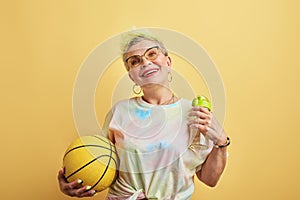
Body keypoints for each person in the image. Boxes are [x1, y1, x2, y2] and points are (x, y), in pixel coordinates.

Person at [58, 30, 229, 199]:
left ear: (168, 61)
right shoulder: (120, 112)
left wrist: (221, 140)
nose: (146, 62)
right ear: (131, 76)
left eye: (152, 54)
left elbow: (210, 179)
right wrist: (75, 179)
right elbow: (101, 166)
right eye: (135, 61)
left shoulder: (194, 114)